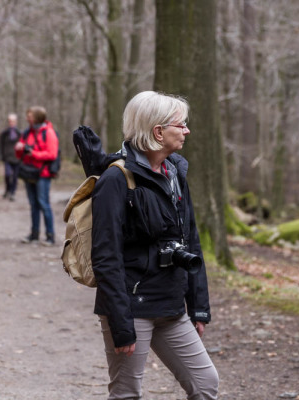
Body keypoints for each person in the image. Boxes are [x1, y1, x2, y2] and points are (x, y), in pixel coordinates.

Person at [91, 91, 219, 399]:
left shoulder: (175, 173)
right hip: (133, 308)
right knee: (127, 393)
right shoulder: (115, 180)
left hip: (172, 306)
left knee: (205, 384)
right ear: (158, 132)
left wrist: (198, 306)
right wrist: (122, 324)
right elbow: (106, 257)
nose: (187, 131)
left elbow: (191, 239)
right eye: (181, 125)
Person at [15, 106, 58, 246]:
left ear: (37, 117)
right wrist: (20, 149)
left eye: (30, 116)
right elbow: (20, 155)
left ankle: (50, 235)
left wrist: (33, 153)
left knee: (43, 204)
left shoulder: (49, 133)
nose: (28, 118)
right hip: (29, 171)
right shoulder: (27, 132)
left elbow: (52, 154)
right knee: (33, 204)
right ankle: (34, 234)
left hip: (43, 174)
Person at [0, 113, 21, 201]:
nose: (11, 123)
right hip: (7, 157)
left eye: (13, 121)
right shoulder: (4, 133)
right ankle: (7, 189)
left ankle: (13, 192)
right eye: (10, 121)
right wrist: (1, 155)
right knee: (8, 175)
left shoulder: (19, 133)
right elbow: (0, 145)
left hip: (17, 158)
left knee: (15, 176)